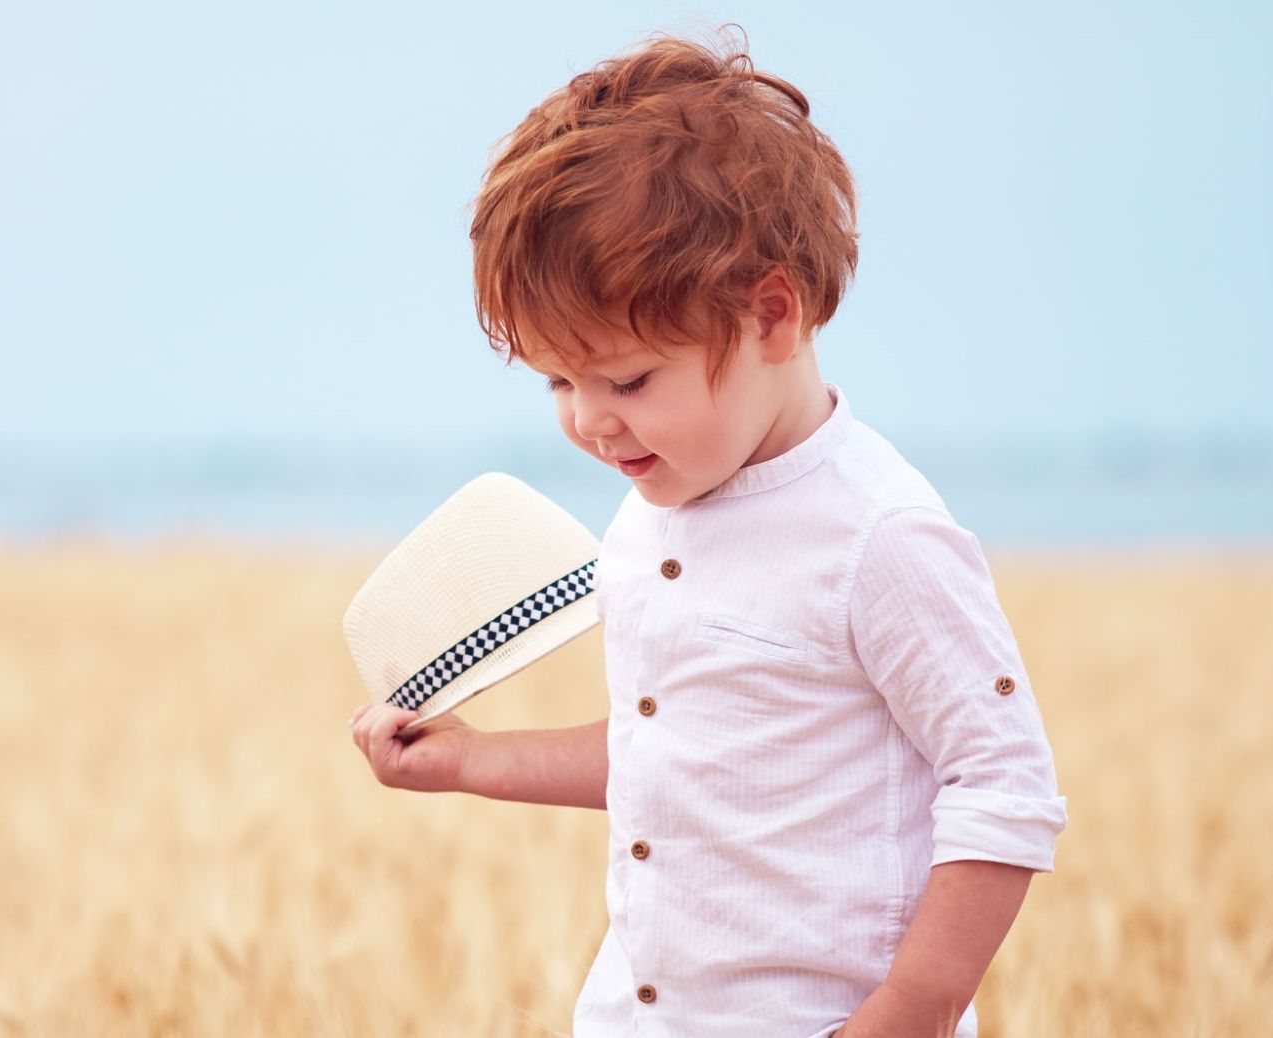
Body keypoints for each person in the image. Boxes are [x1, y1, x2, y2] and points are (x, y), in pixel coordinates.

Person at [347, 24, 1066, 1038]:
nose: (590, 423)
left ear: (772, 316)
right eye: (560, 380)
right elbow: (677, 754)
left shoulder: (881, 538)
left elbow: (1003, 785)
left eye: (628, 379)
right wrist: (470, 761)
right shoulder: (653, 511)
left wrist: (913, 1006)